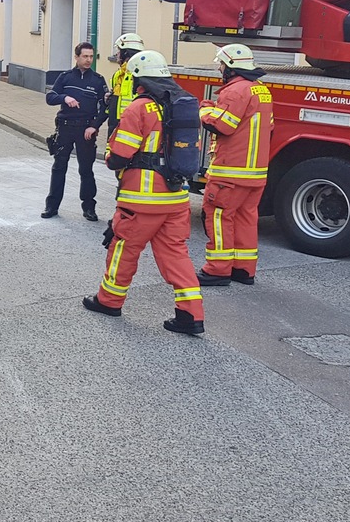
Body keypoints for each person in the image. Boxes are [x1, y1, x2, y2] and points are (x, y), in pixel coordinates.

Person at [82, 50, 205, 336]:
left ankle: (109, 301)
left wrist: (111, 155)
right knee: (176, 255)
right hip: (176, 198)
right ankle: (191, 315)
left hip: (142, 199)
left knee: (123, 248)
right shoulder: (181, 103)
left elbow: (119, 155)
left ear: (139, 79)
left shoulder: (140, 108)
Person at [196, 43, 274, 286]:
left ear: (230, 66)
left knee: (219, 218)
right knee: (246, 219)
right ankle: (243, 270)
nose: (219, 69)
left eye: (221, 64)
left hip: (230, 173)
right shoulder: (262, 90)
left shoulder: (234, 91)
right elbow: (269, 127)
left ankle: (217, 270)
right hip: (255, 173)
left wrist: (204, 109)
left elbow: (222, 125)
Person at [42, 41, 107, 221]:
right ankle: (51, 206)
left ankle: (89, 208)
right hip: (65, 128)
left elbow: (105, 107)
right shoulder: (65, 77)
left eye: (91, 56)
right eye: (85, 56)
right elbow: (50, 97)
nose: (88, 60)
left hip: (86, 130)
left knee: (86, 170)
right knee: (58, 167)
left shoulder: (98, 80)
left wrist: (94, 126)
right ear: (76, 57)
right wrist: (65, 97)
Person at [107, 33, 145, 134]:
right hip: (116, 122)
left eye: (119, 51)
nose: (117, 55)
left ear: (125, 53)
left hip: (131, 124)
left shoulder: (139, 73)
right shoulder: (119, 74)